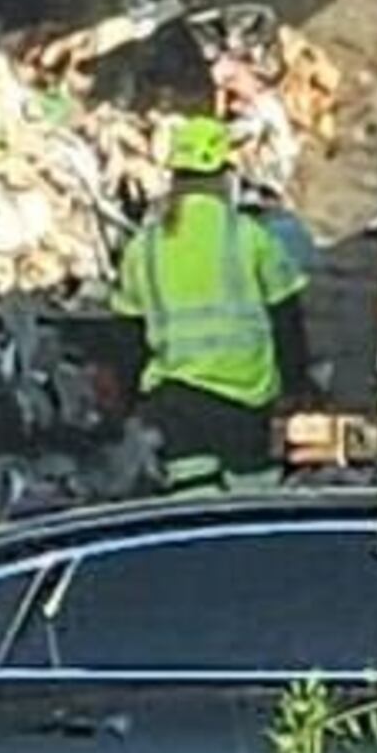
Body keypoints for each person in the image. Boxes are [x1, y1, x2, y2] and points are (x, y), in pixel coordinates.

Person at [110, 115, 312, 494]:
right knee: (251, 508)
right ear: (225, 174)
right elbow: (287, 318)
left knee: (192, 506)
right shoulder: (251, 238)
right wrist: (297, 386)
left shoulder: (143, 248)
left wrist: (128, 400)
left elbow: (127, 335)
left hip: (175, 401)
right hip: (245, 400)